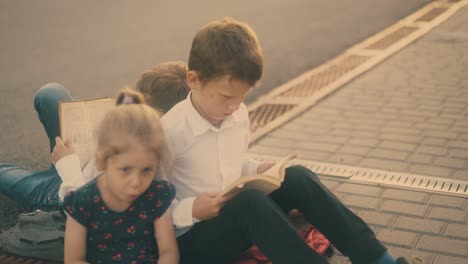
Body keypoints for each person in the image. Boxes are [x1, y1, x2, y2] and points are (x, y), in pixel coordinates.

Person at [161, 17, 423, 264]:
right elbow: (145, 206)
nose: (234, 106)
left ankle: (377, 258)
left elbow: (229, 162)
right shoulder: (168, 133)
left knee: (297, 177)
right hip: (190, 240)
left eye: (243, 97)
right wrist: (192, 209)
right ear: (194, 80)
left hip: (235, 220)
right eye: (226, 97)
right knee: (250, 205)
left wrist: (257, 169)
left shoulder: (237, 114)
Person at [0, 61, 189, 211]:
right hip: (81, 159)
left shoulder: (144, 162)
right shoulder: (154, 126)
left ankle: (42, 192)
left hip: (69, 189)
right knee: (51, 93)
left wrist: (68, 166)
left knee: (5, 173)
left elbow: (86, 206)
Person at [59, 89, 178, 263]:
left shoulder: (157, 196)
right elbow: (74, 259)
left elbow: (168, 252)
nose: (136, 182)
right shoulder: (82, 201)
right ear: (100, 162)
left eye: (147, 170)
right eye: (125, 170)